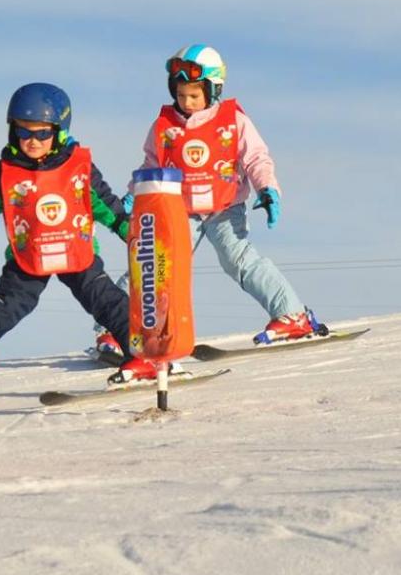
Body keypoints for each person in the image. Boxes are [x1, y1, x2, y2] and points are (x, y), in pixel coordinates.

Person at [0, 83, 145, 400]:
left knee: (105, 299)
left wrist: (129, 231)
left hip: (75, 251)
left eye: (41, 134)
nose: (31, 142)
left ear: (59, 131)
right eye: (23, 133)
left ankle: (143, 355)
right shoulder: (8, 171)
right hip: (30, 257)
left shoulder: (78, 165)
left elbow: (105, 204)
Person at [111, 45, 320, 349]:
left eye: (194, 96)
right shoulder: (164, 127)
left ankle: (292, 315)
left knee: (239, 260)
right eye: (181, 95)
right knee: (154, 264)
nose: (187, 102)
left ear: (213, 89)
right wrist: (135, 196)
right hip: (179, 211)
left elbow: (256, 159)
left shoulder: (233, 121)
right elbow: (150, 165)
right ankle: (116, 329)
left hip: (225, 207)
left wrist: (267, 188)